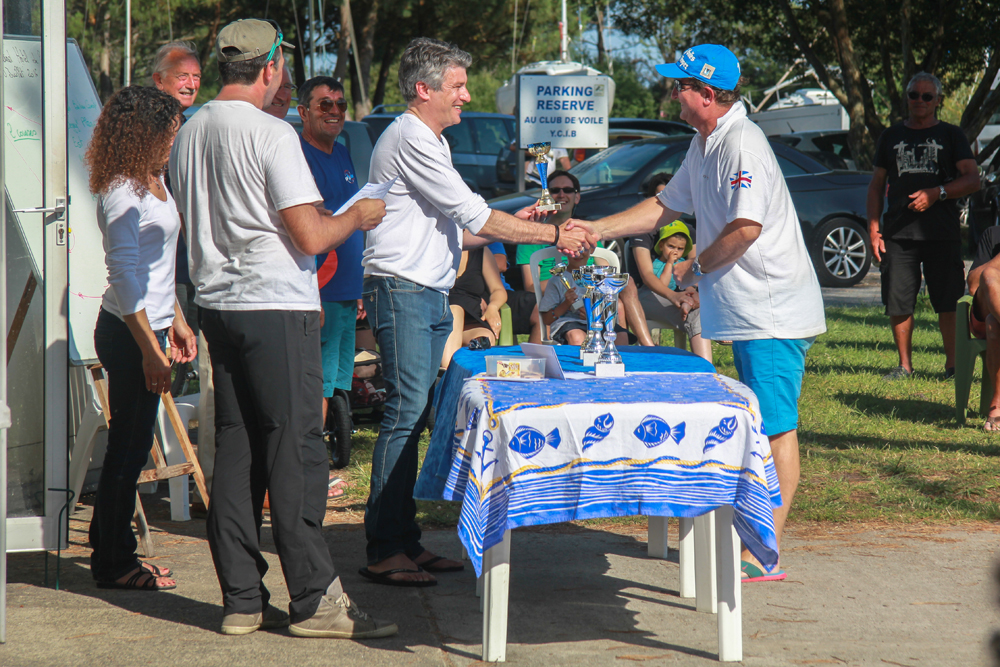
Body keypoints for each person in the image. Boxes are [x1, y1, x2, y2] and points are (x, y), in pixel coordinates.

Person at [170, 18, 396, 638]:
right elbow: (311, 234)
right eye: (286, 67)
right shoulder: (273, 134)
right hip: (274, 304)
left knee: (238, 449)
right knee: (296, 450)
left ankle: (241, 598)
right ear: (269, 66)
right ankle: (315, 602)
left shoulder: (190, 131)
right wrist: (359, 215)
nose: (290, 78)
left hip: (219, 303)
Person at [568, 44, 826, 582]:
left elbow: (745, 228)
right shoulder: (705, 141)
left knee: (775, 429)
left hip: (772, 314)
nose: (673, 94)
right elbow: (663, 207)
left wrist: (693, 267)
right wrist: (596, 228)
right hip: (751, 312)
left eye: (680, 86)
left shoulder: (743, 144)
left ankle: (764, 551)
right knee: (759, 424)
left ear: (707, 95)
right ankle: (755, 537)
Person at [360, 37, 594, 587]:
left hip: (426, 291)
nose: (467, 95)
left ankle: (403, 540)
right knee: (403, 414)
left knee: (416, 414)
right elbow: (476, 216)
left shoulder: (430, 139)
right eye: (458, 85)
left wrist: (525, 215)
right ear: (425, 89)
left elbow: (460, 227)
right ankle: (384, 548)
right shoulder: (412, 138)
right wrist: (553, 232)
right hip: (404, 290)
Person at [85, 85, 197, 591]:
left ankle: (107, 546)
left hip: (150, 325)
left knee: (129, 447)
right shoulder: (121, 191)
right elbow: (125, 274)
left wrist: (175, 316)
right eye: (168, 133)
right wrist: (151, 350)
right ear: (142, 134)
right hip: (129, 332)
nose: (173, 142)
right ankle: (115, 563)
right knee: (128, 451)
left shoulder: (153, 179)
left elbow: (157, 265)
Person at [867, 72, 980, 381]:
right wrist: (874, 230)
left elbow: (972, 178)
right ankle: (904, 365)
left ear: (937, 101)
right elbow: (876, 186)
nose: (920, 101)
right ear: (908, 98)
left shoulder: (951, 135)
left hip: (941, 232)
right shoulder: (890, 136)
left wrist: (937, 193)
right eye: (914, 95)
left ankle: (953, 365)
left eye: (927, 97)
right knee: (899, 300)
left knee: (948, 300)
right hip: (899, 233)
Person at [297, 75, 361, 499]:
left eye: (339, 104)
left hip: (344, 291)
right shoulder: (298, 155)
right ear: (303, 111)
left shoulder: (342, 153)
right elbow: (310, 228)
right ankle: (305, 473)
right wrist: (313, 293)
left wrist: (354, 288)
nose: (334, 111)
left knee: (332, 382)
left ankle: (313, 467)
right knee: (311, 383)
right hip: (317, 289)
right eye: (324, 105)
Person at [516, 170, 656, 346]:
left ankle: (646, 346)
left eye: (567, 190)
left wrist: (591, 300)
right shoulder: (532, 236)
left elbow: (606, 273)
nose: (561, 194)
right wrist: (570, 282)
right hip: (558, 297)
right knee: (614, 307)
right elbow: (531, 287)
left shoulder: (586, 232)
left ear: (577, 197)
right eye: (555, 190)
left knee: (626, 284)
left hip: (591, 293)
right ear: (546, 196)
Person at [642, 221, 711, 361]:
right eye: (671, 246)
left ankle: (688, 304)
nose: (675, 251)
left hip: (678, 295)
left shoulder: (681, 263)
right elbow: (663, 284)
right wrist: (669, 264)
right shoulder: (657, 265)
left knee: (692, 299)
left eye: (680, 249)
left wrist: (690, 291)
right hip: (659, 296)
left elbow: (686, 283)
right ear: (661, 246)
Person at [539, 247, 628, 346]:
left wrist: (593, 316)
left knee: (622, 336)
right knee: (577, 337)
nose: (578, 254)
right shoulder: (556, 280)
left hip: (600, 321)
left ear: (592, 250)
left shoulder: (600, 277)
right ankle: (579, 362)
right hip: (569, 324)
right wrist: (566, 304)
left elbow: (611, 313)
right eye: (573, 250)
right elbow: (547, 319)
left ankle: (615, 358)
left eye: (584, 249)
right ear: (565, 252)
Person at [442, 246, 508, 367]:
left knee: (485, 337)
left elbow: (498, 289)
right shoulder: (433, 246)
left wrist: (492, 307)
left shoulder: (481, 252)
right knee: (455, 310)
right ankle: (448, 371)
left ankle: (474, 379)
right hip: (443, 315)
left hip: (472, 317)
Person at [966, 226, 1000, 430]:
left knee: (994, 324)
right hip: (984, 306)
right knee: (988, 274)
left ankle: (997, 403)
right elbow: (972, 285)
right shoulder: (993, 235)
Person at [488, 241, 542, 343]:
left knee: (542, 308)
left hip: (501, 292)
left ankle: (534, 358)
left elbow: (501, 264)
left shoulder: (484, 237)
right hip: (468, 294)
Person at [151, 41, 202, 109]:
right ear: (159, 80)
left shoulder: (195, 118)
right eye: (183, 76)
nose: (192, 86)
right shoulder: (142, 118)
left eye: (196, 76)